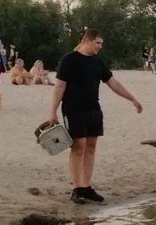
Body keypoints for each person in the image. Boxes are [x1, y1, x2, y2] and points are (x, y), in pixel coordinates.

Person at [48, 28, 143, 204]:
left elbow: (113, 83)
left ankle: (86, 186)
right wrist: (53, 111)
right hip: (73, 109)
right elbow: (59, 87)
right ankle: (77, 188)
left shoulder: (97, 62)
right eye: (98, 43)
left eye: (101, 44)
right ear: (87, 41)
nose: (100, 47)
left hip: (93, 109)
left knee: (91, 146)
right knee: (78, 146)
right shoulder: (69, 60)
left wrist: (133, 99)